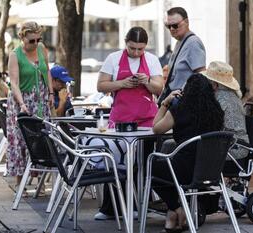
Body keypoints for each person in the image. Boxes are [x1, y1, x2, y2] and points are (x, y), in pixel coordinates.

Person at [94, 26, 163, 220]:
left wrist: (147, 81)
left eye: (140, 49)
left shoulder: (152, 60)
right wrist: (122, 83)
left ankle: (140, 205)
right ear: (126, 43)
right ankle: (110, 208)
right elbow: (101, 85)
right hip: (121, 119)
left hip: (147, 119)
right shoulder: (113, 59)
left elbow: (159, 88)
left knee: (142, 163)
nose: (136, 53)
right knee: (117, 164)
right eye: (132, 48)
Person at [152, 73, 224, 232]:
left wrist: (165, 103)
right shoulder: (217, 111)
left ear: (186, 91)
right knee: (167, 171)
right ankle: (172, 216)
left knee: (147, 168)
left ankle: (178, 209)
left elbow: (156, 128)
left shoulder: (179, 109)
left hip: (184, 170)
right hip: (209, 170)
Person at [6, 21, 54, 190]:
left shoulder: (41, 49)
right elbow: (14, 83)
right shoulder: (15, 54)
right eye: (31, 41)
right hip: (22, 101)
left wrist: (51, 93)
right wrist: (22, 104)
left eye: (37, 39)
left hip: (40, 99)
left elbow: (46, 70)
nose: (35, 44)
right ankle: (21, 183)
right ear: (22, 38)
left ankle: (39, 181)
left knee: (41, 140)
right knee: (21, 141)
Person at [202, 61, 249, 169]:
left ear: (215, 84)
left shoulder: (219, 99)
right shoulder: (233, 96)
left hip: (231, 151)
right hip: (240, 148)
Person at [158, 7, 206, 104]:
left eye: (175, 25)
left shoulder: (193, 43)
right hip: (176, 100)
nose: (171, 29)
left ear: (187, 22)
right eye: (168, 26)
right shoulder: (180, 41)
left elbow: (201, 76)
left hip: (185, 102)